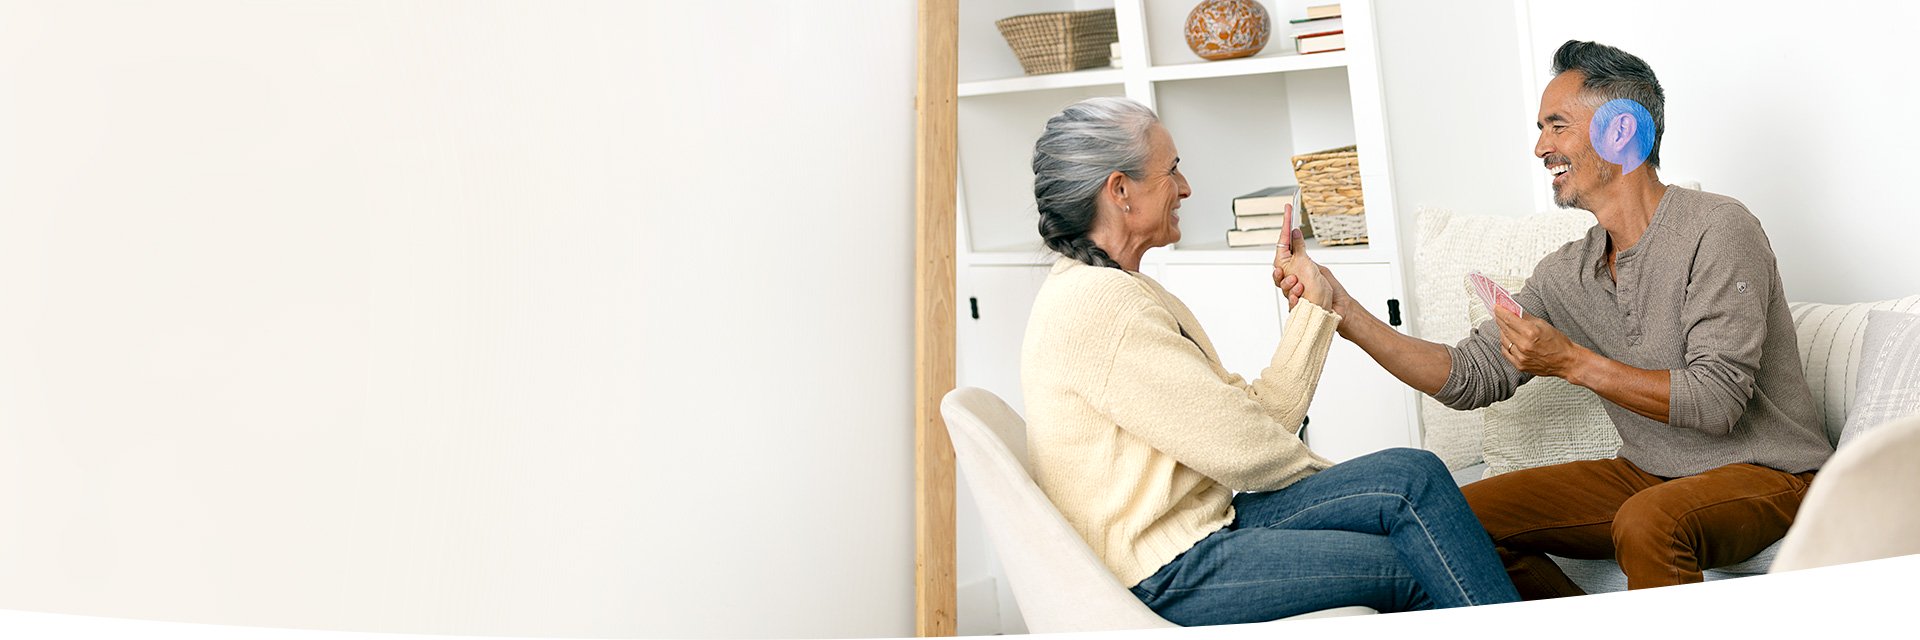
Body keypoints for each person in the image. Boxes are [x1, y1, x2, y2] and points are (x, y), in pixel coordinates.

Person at [1275, 40, 1832, 599]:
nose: (1540, 146)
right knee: (1452, 521)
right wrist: (1341, 309)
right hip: (1651, 472)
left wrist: (1571, 362)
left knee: (1650, 520)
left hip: (1770, 473)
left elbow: (1715, 402)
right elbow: (1468, 376)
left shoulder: (1719, 229)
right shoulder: (1572, 271)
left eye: (1556, 125)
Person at [1019, 96, 1519, 625]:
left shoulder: (1119, 290)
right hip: (1168, 573)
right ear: (1120, 190)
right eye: (1172, 171)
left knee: (1411, 474)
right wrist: (1337, 482)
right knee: (1419, 559)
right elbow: (1245, 450)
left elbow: (1254, 422)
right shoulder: (1102, 307)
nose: (1186, 188)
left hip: (1206, 529)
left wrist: (1315, 303)